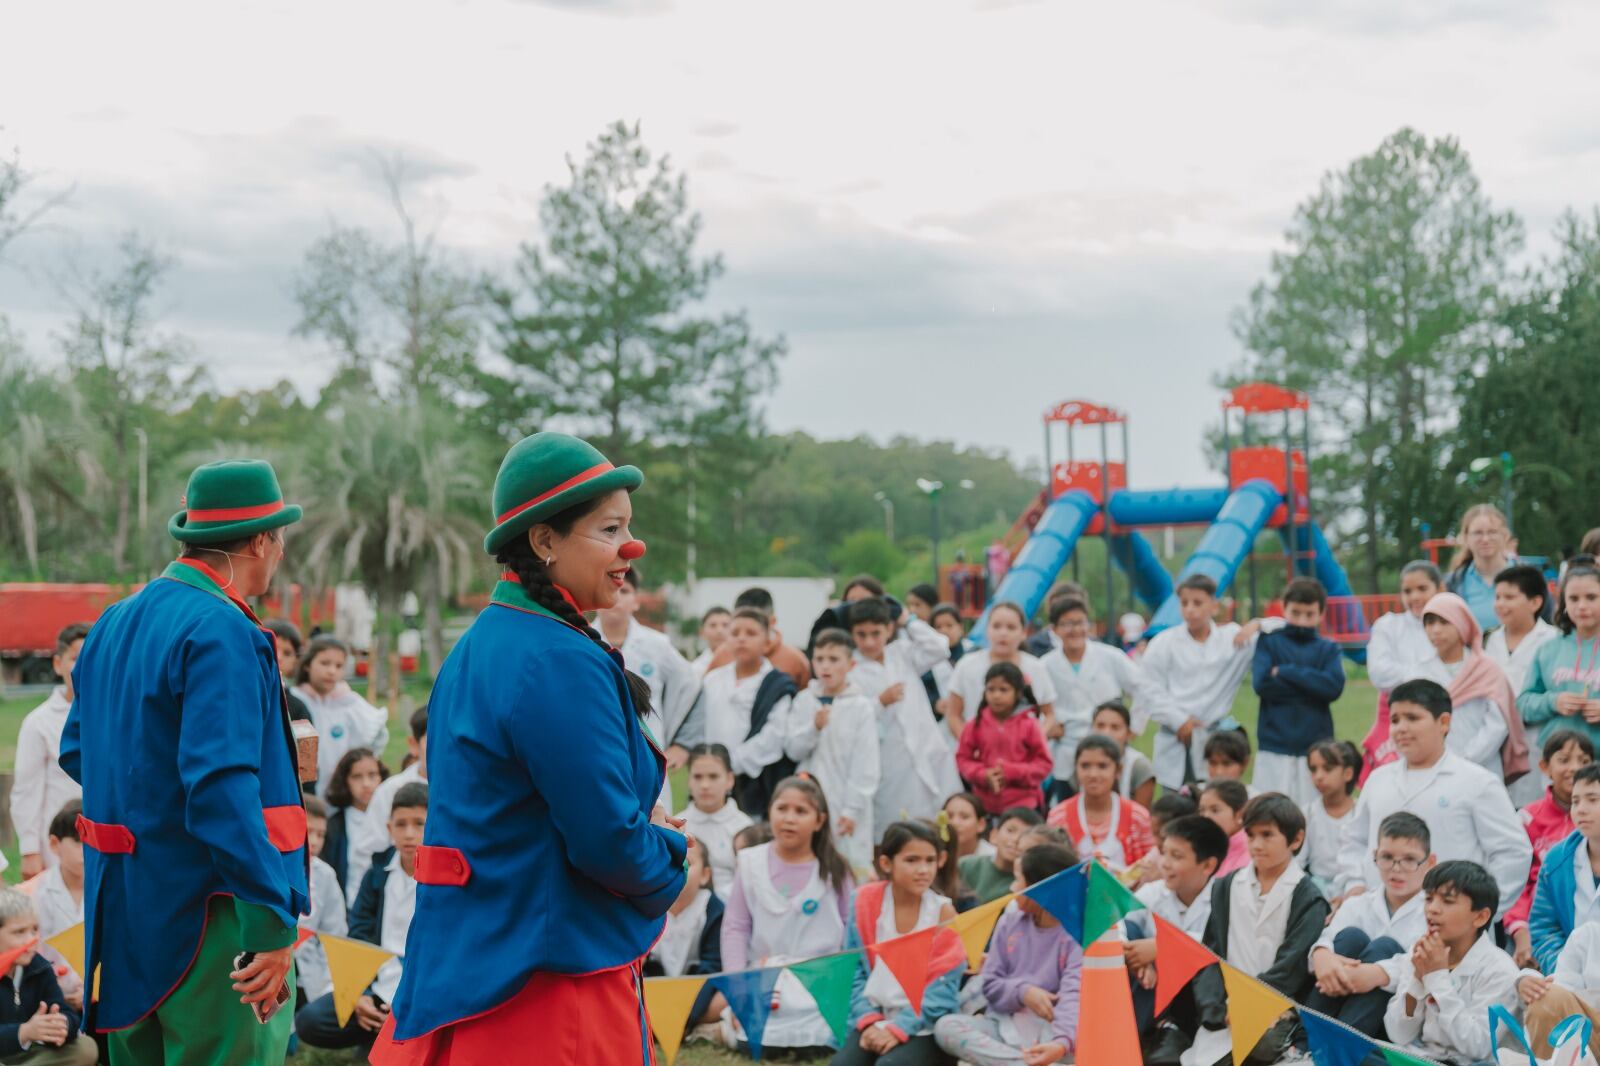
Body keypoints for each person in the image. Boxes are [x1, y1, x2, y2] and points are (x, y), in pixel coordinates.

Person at [374, 432, 688, 1064]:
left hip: (484, 963)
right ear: (544, 541)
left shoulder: (485, 643)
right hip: (547, 991)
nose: (632, 547)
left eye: (628, 525)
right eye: (609, 529)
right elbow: (607, 842)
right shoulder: (556, 658)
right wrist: (671, 847)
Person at [61, 459, 307, 1060]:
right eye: (280, 539)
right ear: (259, 540)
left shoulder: (115, 620)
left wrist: (148, 820)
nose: (279, 554)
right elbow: (220, 791)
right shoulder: (222, 628)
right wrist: (271, 925)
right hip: (212, 914)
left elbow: (79, 750)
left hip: (124, 911)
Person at [1335, 679, 1531, 918]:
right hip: (1377, 919)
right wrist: (1354, 886)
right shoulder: (1378, 780)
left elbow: (1513, 853)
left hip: (1450, 931)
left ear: (1444, 722)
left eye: (1413, 718)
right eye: (1395, 720)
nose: (1401, 728)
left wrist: (1475, 914)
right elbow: (1354, 840)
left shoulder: (1477, 783)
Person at [1188, 795, 1329, 1066]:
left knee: (1261, 1047)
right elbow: (1210, 952)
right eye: (1251, 835)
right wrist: (1216, 1008)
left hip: (1275, 1010)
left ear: (1296, 839)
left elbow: (1292, 965)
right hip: (1225, 1010)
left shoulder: (1308, 897)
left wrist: (1248, 1005)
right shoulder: (1226, 886)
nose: (1256, 845)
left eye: (1267, 835)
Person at [721, 777, 852, 1054]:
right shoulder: (750, 863)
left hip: (820, 984)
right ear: (770, 811)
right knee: (753, 1042)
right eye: (782, 808)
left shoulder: (835, 870)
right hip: (766, 982)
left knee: (816, 1044)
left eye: (801, 811)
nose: (789, 819)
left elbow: (851, 931)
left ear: (819, 821)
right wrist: (738, 991)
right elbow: (736, 927)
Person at [298, 782, 427, 1053]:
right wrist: (361, 994)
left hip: (421, 992)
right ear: (389, 829)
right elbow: (358, 934)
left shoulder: (440, 880)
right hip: (381, 986)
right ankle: (377, 1030)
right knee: (311, 1022)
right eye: (401, 824)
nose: (410, 834)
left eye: (419, 824)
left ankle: (393, 1038)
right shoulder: (377, 875)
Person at [933, 844, 1083, 1066]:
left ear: (1041, 888)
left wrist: (1060, 1044)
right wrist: (1023, 992)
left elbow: (1074, 995)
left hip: (1057, 1034)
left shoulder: (1076, 934)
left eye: (1018, 879)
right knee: (946, 1028)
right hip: (1005, 1028)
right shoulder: (1009, 922)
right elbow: (991, 984)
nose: (1012, 888)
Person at [833, 822, 964, 1066]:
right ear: (886, 864)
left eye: (930, 860)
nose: (923, 869)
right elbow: (853, 970)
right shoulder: (864, 903)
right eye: (911, 860)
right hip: (875, 1016)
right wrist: (869, 1021)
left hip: (925, 1024)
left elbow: (942, 992)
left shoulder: (943, 913)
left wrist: (898, 1028)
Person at [1303, 812, 1433, 1042]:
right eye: (1387, 857)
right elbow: (1327, 939)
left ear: (1429, 863)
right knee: (1350, 937)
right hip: (1337, 998)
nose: (1396, 868)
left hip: (1388, 1023)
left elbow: (1422, 966)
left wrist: (1377, 974)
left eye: (1410, 859)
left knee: (1385, 947)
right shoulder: (1357, 904)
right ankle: (1307, 1039)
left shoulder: (1433, 914)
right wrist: (1322, 955)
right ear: (1375, 857)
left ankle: (1336, 1048)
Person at [1383, 860, 1520, 1064]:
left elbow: (1478, 1046)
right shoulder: (1422, 950)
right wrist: (1417, 980)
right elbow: (1398, 1034)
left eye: (1447, 901)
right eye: (1429, 899)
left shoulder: (1499, 970)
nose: (1432, 909)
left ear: (1480, 917)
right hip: (1421, 1058)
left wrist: (1436, 978)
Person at [1135, 575, 1262, 789]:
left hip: (1215, 739)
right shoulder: (1164, 643)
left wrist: (1258, 623)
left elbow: (1282, 627)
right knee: (1176, 803)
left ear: (1214, 606)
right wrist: (1179, 720)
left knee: (1216, 801)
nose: (1190, 610)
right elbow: (1148, 688)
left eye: (1197, 603)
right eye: (1184, 603)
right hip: (1176, 736)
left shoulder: (1232, 639)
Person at [1122, 815, 1228, 1065]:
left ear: (1207, 865)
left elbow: (1216, 945)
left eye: (1177, 856)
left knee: (1202, 958)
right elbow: (1115, 924)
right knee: (1129, 928)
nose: (1165, 864)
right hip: (1151, 989)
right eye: (1164, 853)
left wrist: (1160, 949)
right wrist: (1140, 961)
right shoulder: (1154, 893)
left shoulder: (1224, 898)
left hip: (1200, 1000)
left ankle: (1177, 1032)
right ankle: (1134, 1035)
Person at [849, 598, 962, 825]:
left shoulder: (901, 653)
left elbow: (939, 647)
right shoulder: (852, 670)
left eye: (876, 633)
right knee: (898, 825)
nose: (869, 642)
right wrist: (879, 702)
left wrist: (907, 619)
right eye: (861, 635)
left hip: (927, 749)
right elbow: (849, 719)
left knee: (943, 820)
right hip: (889, 761)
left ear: (889, 629)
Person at [785, 629, 881, 873]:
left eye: (834, 659)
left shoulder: (860, 706)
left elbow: (866, 764)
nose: (825, 666)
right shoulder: (805, 700)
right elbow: (793, 750)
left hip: (847, 805)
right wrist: (814, 728)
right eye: (819, 659)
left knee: (848, 869)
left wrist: (851, 809)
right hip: (810, 797)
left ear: (850, 664)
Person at [691, 607, 798, 815]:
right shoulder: (712, 680)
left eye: (750, 634)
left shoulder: (776, 685)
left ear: (767, 642)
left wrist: (729, 765)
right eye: (735, 633)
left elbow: (773, 737)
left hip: (754, 784)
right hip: (710, 780)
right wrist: (710, 766)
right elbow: (700, 725)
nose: (741, 639)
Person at [1415, 591, 1530, 779]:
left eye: (1444, 622)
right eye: (1429, 623)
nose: (1435, 630)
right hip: (1433, 767)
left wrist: (1466, 758)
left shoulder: (1486, 669)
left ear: (1461, 624)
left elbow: (1497, 723)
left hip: (1483, 766)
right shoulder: (1419, 672)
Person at [598, 568, 701, 778]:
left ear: (636, 601)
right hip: (600, 754)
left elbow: (691, 685)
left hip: (649, 755)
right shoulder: (581, 642)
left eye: (624, 591)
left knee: (656, 809)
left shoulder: (658, 645)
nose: (617, 596)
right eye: (609, 588)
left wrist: (681, 742)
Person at [1251, 578, 1344, 806]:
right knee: (1269, 811)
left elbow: (1332, 687)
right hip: (1274, 745)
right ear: (1284, 608)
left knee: (1312, 814)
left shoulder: (1328, 648)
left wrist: (1286, 671)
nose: (1302, 620)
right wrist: (1312, 686)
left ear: (1321, 614)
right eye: (1296, 612)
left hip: (1315, 747)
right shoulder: (1269, 641)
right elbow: (1262, 684)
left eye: (1309, 614)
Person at [1506, 729, 1594, 967]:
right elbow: (1517, 884)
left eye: (1584, 761)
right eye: (1564, 760)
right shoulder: (1528, 819)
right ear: (1544, 766)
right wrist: (1522, 934)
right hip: (1533, 929)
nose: (1574, 768)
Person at [1038, 597, 1139, 804]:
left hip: (1107, 742)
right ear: (1054, 630)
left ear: (1089, 625)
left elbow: (1142, 688)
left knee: (1110, 801)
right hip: (1065, 747)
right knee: (1067, 802)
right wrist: (1049, 726)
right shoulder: (1045, 665)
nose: (1075, 629)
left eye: (1080, 622)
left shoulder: (1110, 656)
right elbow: (1036, 706)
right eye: (1067, 624)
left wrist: (1134, 727)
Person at [11, 624, 87, 879]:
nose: (83, 666)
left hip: (103, 839)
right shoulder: (39, 722)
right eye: (75, 658)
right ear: (57, 664)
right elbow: (26, 790)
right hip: (57, 845)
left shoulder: (114, 716)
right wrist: (30, 850)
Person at [1362, 561, 1445, 784]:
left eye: (1422, 588)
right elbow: (1380, 675)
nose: (1414, 597)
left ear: (1439, 588)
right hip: (1398, 721)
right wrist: (1428, 673)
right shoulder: (1388, 625)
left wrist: (1405, 672)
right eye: (1408, 591)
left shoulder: (1450, 625)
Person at [644, 839, 727, 1044]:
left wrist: (686, 1013)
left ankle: (685, 1025)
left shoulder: (712, 909)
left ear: (705, 875)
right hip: (656, 992)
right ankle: (658, 1025)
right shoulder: (646, 906)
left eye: (687, 863)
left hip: (698, 991)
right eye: (668, 862)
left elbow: (713, 967)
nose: (677, 870)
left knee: (725, 1000)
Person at [0, 889, 95, 1066]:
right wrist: (23, 1032)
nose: (30, 940)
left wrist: (60, 1024)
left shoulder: (39, 967)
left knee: (85, 1048)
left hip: (29, 1053)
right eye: (19, 932)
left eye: (34, 929)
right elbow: (24, 1032)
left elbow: (66, 1011)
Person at [942, 603, 1057, 745]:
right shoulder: (966, 666)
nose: (1003, 633)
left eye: (1011, 627)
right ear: (987, 630)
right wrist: (970, 747)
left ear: (1023, 633)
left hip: (1024, 760)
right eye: (996, 626)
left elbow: (1050, 714)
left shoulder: (1036, 668)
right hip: (979, 757)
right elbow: (953, 715)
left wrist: (1035, 740)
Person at [293, 635, 390, 802]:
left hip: (339, 794)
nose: (332, 671)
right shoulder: (295, 701)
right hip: (301, 790)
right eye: (325, 663)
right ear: (308, 664)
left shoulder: (349, 703)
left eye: (339, 666)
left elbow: (375, 738)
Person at [1518, 563, 1600, 757]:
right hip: (1557, 763)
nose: (1582, 606)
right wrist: (1553, 702)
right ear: (1563, 602)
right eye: (1573, 598)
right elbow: (1523, 705)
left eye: (1591, 597)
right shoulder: (1549, 649)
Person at [1527, 763, 1600, 974]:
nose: (1581, 809)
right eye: (1575, 801)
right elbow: (1544, 927)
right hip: (1573, 979)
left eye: (1593, 799)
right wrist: (1564, 971)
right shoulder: (1557, 860)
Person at [1045, 735, 1154, 875]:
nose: (1093, 774)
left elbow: (1150, 867)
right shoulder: (1059, 816)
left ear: (1118, 770)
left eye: (1102, 766)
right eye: (1085, 766)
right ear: (1076, 769)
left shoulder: (1137, 816)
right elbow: (1050, 867)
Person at [955, 663, 1053, 816]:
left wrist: (1012, 772)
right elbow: (963, 758)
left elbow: (1044, 764)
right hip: (984, 803)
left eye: (1004, 690)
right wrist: (982, 774)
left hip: (1023, 804)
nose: (996, 695)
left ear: (1018, 693)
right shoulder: (975, 724)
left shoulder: (1030, 725)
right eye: (991, 689)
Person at [1517, 910, 1600, 1060]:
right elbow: (1561, 988)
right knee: (1548, 998)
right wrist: (1529, 981)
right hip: (1592, 1037)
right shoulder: (1588, 936)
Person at [677, 744, 754, 901]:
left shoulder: (745, 827)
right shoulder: (676, 825)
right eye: (698, 777)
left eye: (713, 776)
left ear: (730, 779)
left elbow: (750, 881)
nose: (705, 785)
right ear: (689, 780)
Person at [703, 587, 812, 688]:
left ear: (772, 621)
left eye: (751, 632)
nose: (742, 638)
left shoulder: (796, 661)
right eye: (737, 630)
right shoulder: (722, 655)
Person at [296, 795, 345, 1009]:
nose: (315, 841)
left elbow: (334, 933)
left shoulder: (325, 875)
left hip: (308, 971)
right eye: (309, 832)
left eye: (321, 834)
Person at [362, 705, 428, 861]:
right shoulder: (389, 791)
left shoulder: (469, 790)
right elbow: (368, 852)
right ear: (413, 744)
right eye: (433, 740)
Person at [322, 747, 387, 907]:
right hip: (346, 909)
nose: (366, 784)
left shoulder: (391, 819)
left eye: (372, 775)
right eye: (357, 777)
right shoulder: (334, 826)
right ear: (345, 781)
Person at [1444, 503, 1520, 632]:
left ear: (1505, 535)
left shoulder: (1528, 576)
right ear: (1466, 538)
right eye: (1478, 533)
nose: (1485, 539)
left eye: (1492, 532)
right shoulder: (1453, 582)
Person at [1300, 739, 1361, 897]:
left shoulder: (1361, 813)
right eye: (1313, 769)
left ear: (1348, 773)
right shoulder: (1308, 813)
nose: (1318, 776)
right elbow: (1297, 860)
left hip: (1354, 888)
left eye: (1327, 769)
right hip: (1314, 889)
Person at [1487, 563, 1559, 694]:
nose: (1500, 604)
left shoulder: (1554, 640)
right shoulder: (1488, 640)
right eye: (1497, 597)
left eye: (1509, 597)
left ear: (1535, 603)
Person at [958, 808, 1043, 905]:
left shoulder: (1026, 884)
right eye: (1010, 830)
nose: (1015, 839)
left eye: (1024, 835)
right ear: (994, 835)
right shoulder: (965, 865)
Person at [1082, 701, 1156, 808]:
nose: (1106, 733)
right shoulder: (1082, 760)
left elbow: (1142, 817)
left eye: (1115, 727)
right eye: (1100, 726)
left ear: (1129, 734)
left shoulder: (1139, 767)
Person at [262, 618, 314, 726]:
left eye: (287, 653)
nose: (279, 657)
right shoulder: (241, 696)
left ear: (295, 661)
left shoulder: (298, 708)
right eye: (272, 648)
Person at [1196, 780, 1250, 877]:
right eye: (1202, 810)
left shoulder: (1249, 853)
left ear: (1239, 815)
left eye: (1215, 810)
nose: (1206, 817)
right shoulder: (1203, 846)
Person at [941, 793, 994, 861]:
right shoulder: (935, 853)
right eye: (949, 816)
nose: (955, 823)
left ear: (981, 824)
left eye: (964, 817)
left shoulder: (993, 858)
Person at [691, 606, 732, 677]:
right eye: (713, 625)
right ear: (702, 632)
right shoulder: (695, 668)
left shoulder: (745, 663)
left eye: (725, 625)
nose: (719, 631)